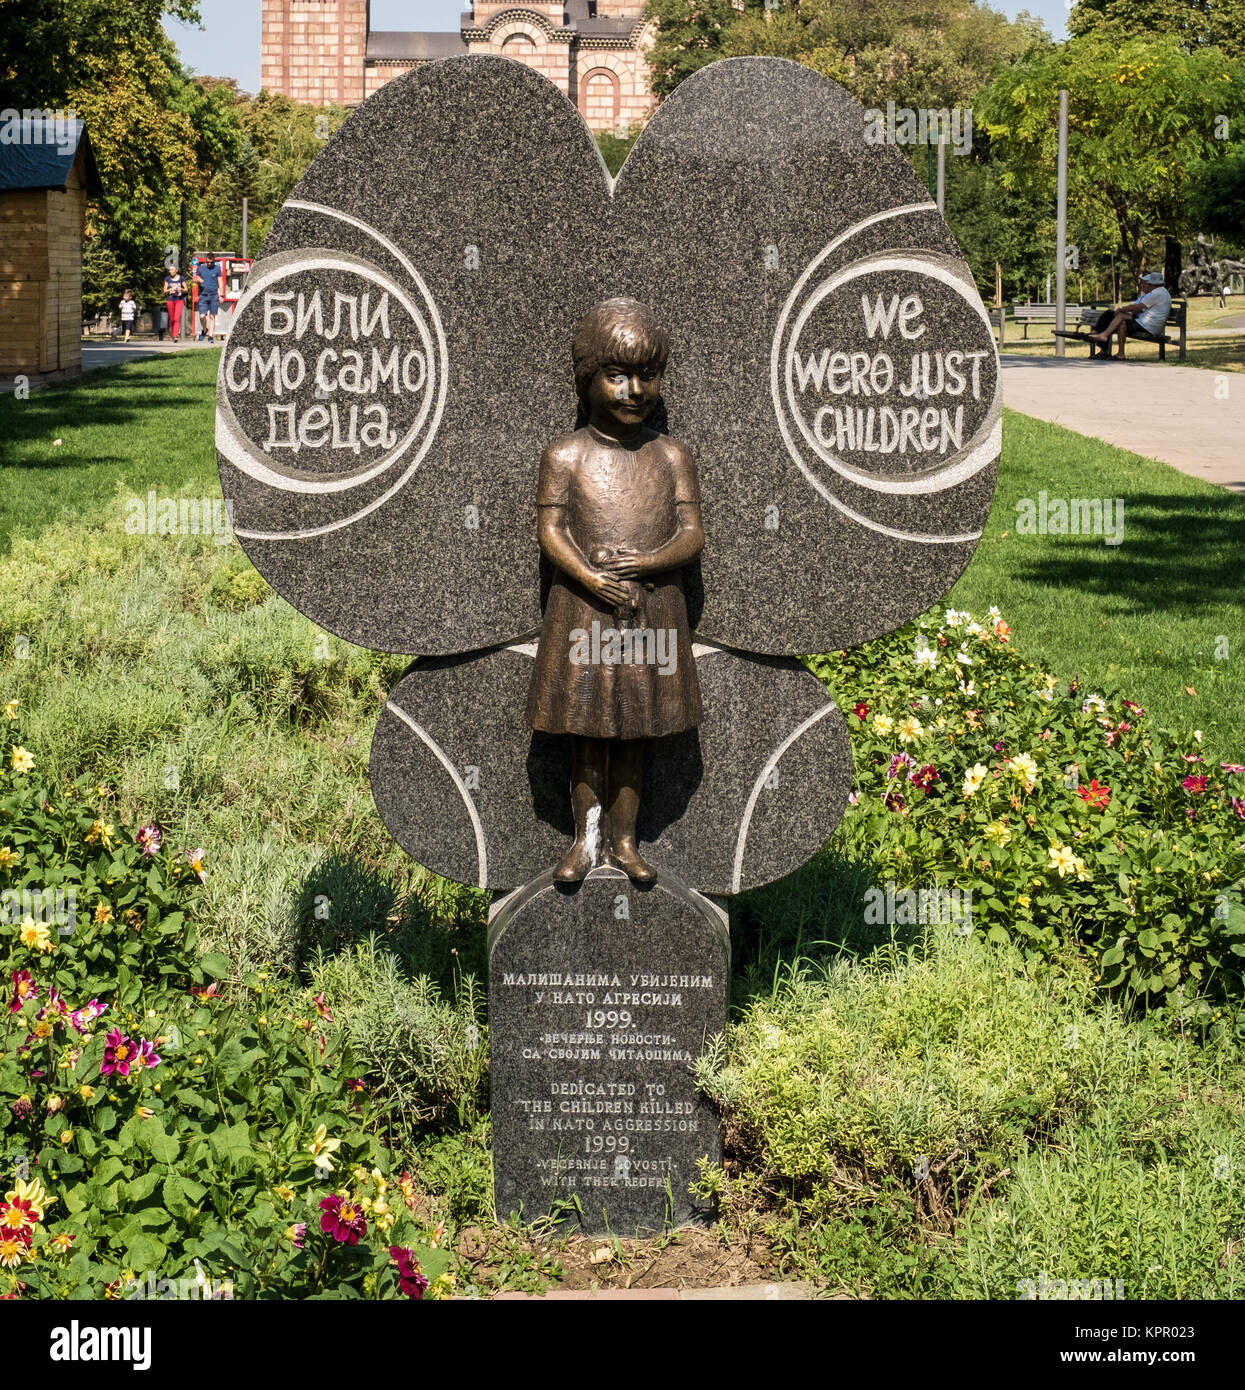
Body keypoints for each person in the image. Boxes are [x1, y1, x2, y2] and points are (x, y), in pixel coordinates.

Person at [525, 298, 704, 885]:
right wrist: (591, 577)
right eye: (617, 375)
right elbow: (551, 531)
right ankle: (584, 840)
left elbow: (691, 533)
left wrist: (648, 562)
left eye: (647, 377)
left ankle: (625, 843)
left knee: (637, 729)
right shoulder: (566, 455)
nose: (633, 391)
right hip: (584, 610)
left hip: (652, 612)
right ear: (587, 379)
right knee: (586, 729)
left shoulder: (671, 455)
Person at [1087, 271, 1172, 360]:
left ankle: (1117, 351)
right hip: (1146, 322)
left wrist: (1122, 309)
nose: (1146, 286)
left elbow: (1138, 307)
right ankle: (1103, 337)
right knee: (1116, 316)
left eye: (1148, 284)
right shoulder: (1162, 292)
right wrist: (1123, 311)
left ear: (1152, 284)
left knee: (1120, 321)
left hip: (1148, 325)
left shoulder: (1156, 293)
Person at [193, 254, 221, 343]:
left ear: (214, 261)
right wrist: (198, 279)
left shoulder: (217, 268)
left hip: (214, 295)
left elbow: (220, 281)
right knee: (202, 316)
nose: (209, 264)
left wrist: (222, 295)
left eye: (211, 262)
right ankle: (205, 329)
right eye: (207, 262)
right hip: (203, 295)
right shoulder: (201, 268)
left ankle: (211, 335)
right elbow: (195, 277)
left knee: (212, 316)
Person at [163, 264, 187, 343]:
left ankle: (175, 335)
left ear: (176, 270)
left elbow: (186, 289)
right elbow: (165, 291)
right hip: (170, 300)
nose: (171, 271)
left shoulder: (181, 278)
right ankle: (173, 333)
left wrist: (181, 289)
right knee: (172, 319)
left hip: (179, 300)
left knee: (177, 318)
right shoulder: (167, 278)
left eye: (172, 270)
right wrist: (170, 289)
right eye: (170, 270)